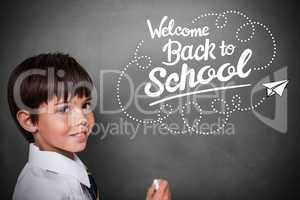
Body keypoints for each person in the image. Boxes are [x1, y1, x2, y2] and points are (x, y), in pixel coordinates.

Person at [7, 53, 171, 200]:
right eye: (64, 109)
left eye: (85, 105)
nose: (83, 119)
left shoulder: (67, 162)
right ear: (29, 121)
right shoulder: (42, 192)